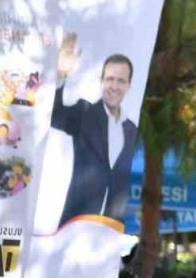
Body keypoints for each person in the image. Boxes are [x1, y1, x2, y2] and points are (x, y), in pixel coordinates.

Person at [52, 35, 138, 226]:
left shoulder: (132, 131)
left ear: (129, 86)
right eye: (110, 79)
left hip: (110, 230)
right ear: (102, 81)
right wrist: (60, 75)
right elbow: (54, 115)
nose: (114, 87)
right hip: (75, 225)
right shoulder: (85, 114)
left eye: (121, 81)